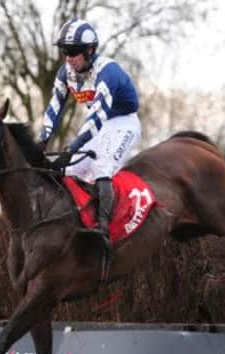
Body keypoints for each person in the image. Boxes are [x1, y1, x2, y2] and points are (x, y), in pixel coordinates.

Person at [38, 18, 141, 243]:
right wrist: (41, 141)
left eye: (73, 51)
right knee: (72, 169)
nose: (68, 58)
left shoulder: (108, 72)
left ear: (90, 50)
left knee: (101, 165)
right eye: (65, 51)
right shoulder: (65, 73)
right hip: (100, 125)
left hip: (123, 122)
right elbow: (54, 108)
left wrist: (72, 147)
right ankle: (73, 221)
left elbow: (96, 116)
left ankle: (104, 231)